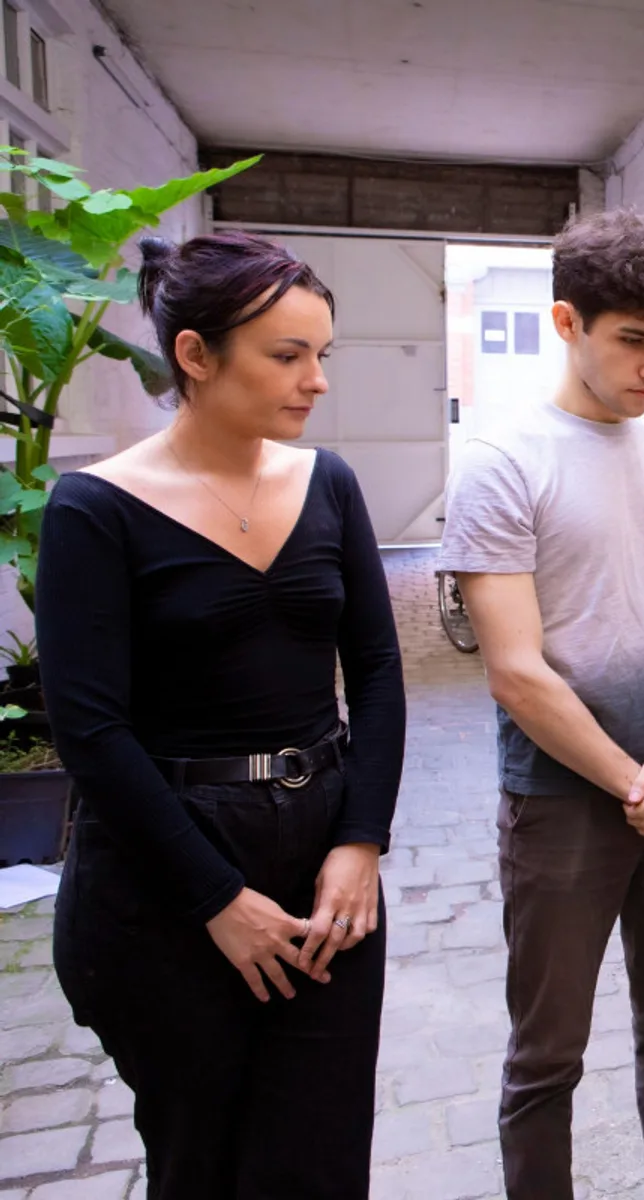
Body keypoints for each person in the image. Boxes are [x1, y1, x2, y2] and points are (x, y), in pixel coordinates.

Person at [40, 232, 405, 1199]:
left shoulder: (327, 483)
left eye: (324, 354)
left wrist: (360, 840)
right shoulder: (96, 509)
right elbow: (88, 731)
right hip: (163, 875)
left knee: (322, 1154)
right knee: (204, 1158)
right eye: (287, 356)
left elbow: (373, 668)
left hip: (323, 858)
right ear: (195, 356)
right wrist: (214, 899)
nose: (315, 381)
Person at [439, 209, 644, 1200]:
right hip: (565, 799)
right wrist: (634, 783)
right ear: (567, 322)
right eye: (634, 342)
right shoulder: (501, 460)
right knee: (546, 1059)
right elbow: (515, 670)